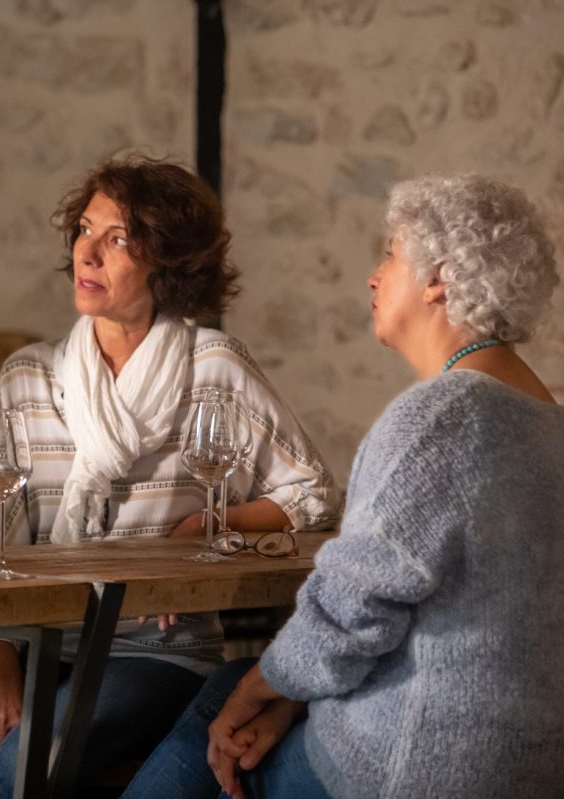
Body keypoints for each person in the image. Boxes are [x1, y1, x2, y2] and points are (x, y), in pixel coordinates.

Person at [0, 155, 343, 799]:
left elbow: (313, 493)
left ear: (168, 262)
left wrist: (209, 523)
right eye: (85, 230)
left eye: (119, 239)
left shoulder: (214, 369)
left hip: (156, 650)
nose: (87, 253)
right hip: (27, 636)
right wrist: (0, 669)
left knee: (22, 767)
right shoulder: (29, 376)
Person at [120, 173, 563, 799]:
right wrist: (285, 694)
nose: (373, 277)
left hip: (422, 766)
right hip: (536, 762)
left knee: (230, 705)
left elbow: (351, 613)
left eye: (389, 253)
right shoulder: (548, 423)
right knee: (260, 690)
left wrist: (260, 690)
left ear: (438, 278)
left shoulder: (439, 416)